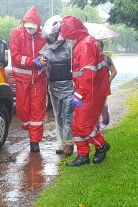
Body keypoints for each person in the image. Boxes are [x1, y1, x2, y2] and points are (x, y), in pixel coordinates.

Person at [60, 16, 111, 166]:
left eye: (67, 34)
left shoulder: (86, 44)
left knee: (83, 125)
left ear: (72, 32)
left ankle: (101, 145)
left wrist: (80, 93)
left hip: (91, 92)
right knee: (76, 124)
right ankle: (83, 155)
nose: (66, 38)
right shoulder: (82, 42)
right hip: (88, 90)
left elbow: (88, 74)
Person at [9, 7, 47, 153]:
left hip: (39, 79)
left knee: (38, 111)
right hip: (22, 79)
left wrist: (44, 60)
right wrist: (32, 61)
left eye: (33, 28)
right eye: (28, 27)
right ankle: (30, 129)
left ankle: (34, 141)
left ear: (38, 26)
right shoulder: (16, 34)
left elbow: (48, 51)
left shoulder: (43, 35)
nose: (30, 30)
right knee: (23, 110)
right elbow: (15, 56)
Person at [40, 15, 75, 156]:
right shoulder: (46, 48)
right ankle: (61, 144)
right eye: (50, 35)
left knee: (68, 116)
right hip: (53, 86)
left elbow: (76, 65)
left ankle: (69, 144)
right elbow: (42, 67)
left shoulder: (70, 45)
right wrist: (41, 62)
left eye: (54, 35)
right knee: (58, 116)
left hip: (68, 85)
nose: (52, 38)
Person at [96, 40, 117, 130]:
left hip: (103, 85)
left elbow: (114, 72)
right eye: (94, 46)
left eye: (98, 46)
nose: (97, 48)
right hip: (93, 85)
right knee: (94, 105)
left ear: (102, 47)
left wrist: (108, 81)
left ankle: (105, 120)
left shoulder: (106, 58)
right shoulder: (89, 58)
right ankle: (96, 125)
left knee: (102, 104)